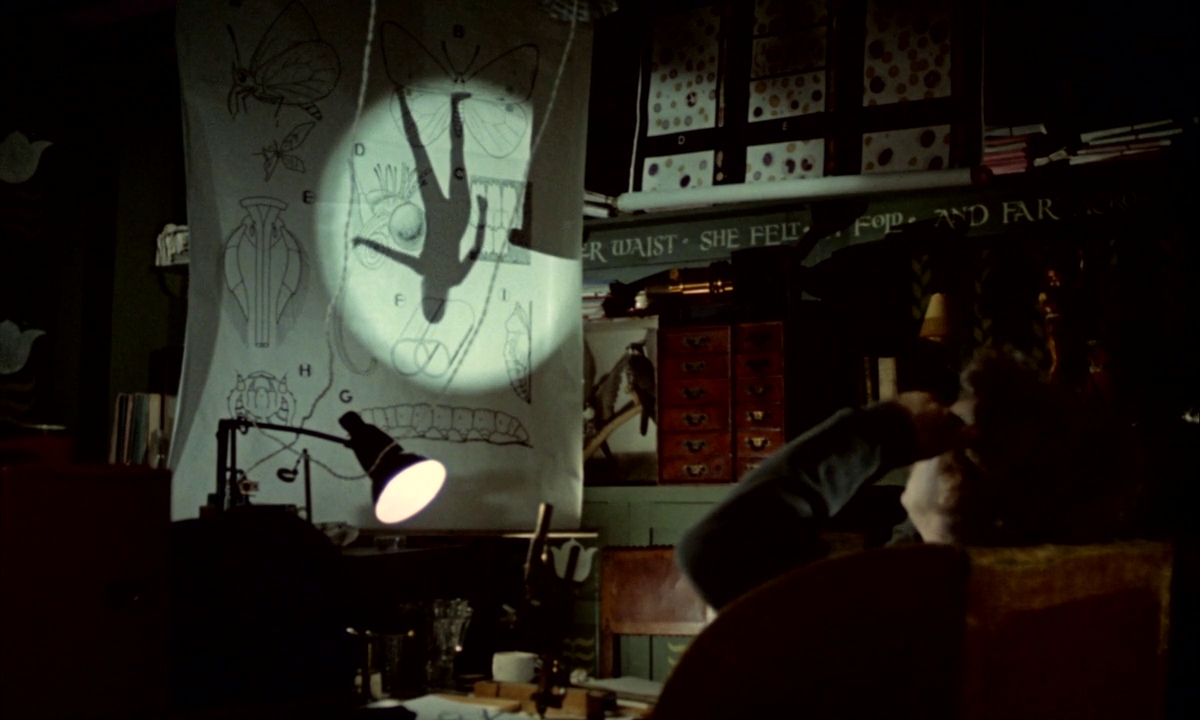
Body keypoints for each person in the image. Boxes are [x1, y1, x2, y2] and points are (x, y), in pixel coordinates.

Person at [676, 348, 1127, 611]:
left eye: (948, 427)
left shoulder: (888, 612)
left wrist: (887, 428)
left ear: (956, 477)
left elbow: (713, 553)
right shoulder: (1018, 606)